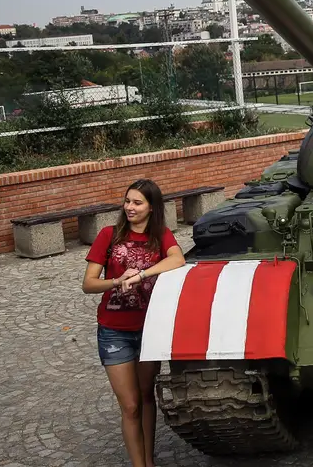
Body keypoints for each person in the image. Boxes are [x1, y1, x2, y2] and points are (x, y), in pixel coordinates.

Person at [82, 178, 186, 467]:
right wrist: (117, 280)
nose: (130, 207)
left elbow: (177, 260)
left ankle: (148, 461)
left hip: (149, 329)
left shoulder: (161, 236)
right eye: (127, 201)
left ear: (152, 208)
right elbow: (88, 284)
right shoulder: (109, 235)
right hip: (114, 331)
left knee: (146, 397)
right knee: (130, 405)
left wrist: (140, 275)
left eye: (137, 202)